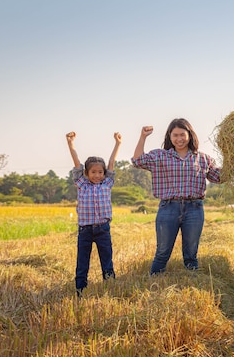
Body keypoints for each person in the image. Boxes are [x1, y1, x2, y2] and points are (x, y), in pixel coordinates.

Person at [131, 118, 222, 275]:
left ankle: (192, 283)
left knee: (191, 253)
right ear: (169, 137)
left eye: (182, 135)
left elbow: (219, 177)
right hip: (168, 208)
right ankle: (155, 283)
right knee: (162, 252)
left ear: (190, 135)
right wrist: (143, 137)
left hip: (194, 209)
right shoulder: (160, 156)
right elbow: (138, 161)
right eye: (175, 135)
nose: (179, 139)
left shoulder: (203, 158)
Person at [66, 131, 121, 296]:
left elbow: (111, 162)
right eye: (93, 172)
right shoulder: (81, 183)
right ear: (86, 173)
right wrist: (71, 144)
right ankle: (80, 290)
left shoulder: (108, 183)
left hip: (103, 229)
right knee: (82, 262)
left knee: (107, 261)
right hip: (85, 230)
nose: (97, 175)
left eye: (100, 172)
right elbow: (76, 164)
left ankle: (110, 289)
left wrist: (117, 144)